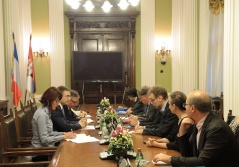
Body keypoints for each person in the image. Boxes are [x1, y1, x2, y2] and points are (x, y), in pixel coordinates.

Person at [153, 90, 239, 167]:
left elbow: (203, 161)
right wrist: (182, 132)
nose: (184, 107)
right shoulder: (197, 122)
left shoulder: (217, 128)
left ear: (192, 108)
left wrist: (170, 159)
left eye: (185, 105)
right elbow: (187, 154)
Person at [31, 87, 76, 161]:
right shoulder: (42, 115)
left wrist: (65, 133)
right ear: (49, 100)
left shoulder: (47, 111)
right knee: (69, 156)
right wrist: (63, 136)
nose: (58, 104)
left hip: (48, 148)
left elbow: (50, 133)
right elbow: (44, 140)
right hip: (40, 153)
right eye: (56, 101)